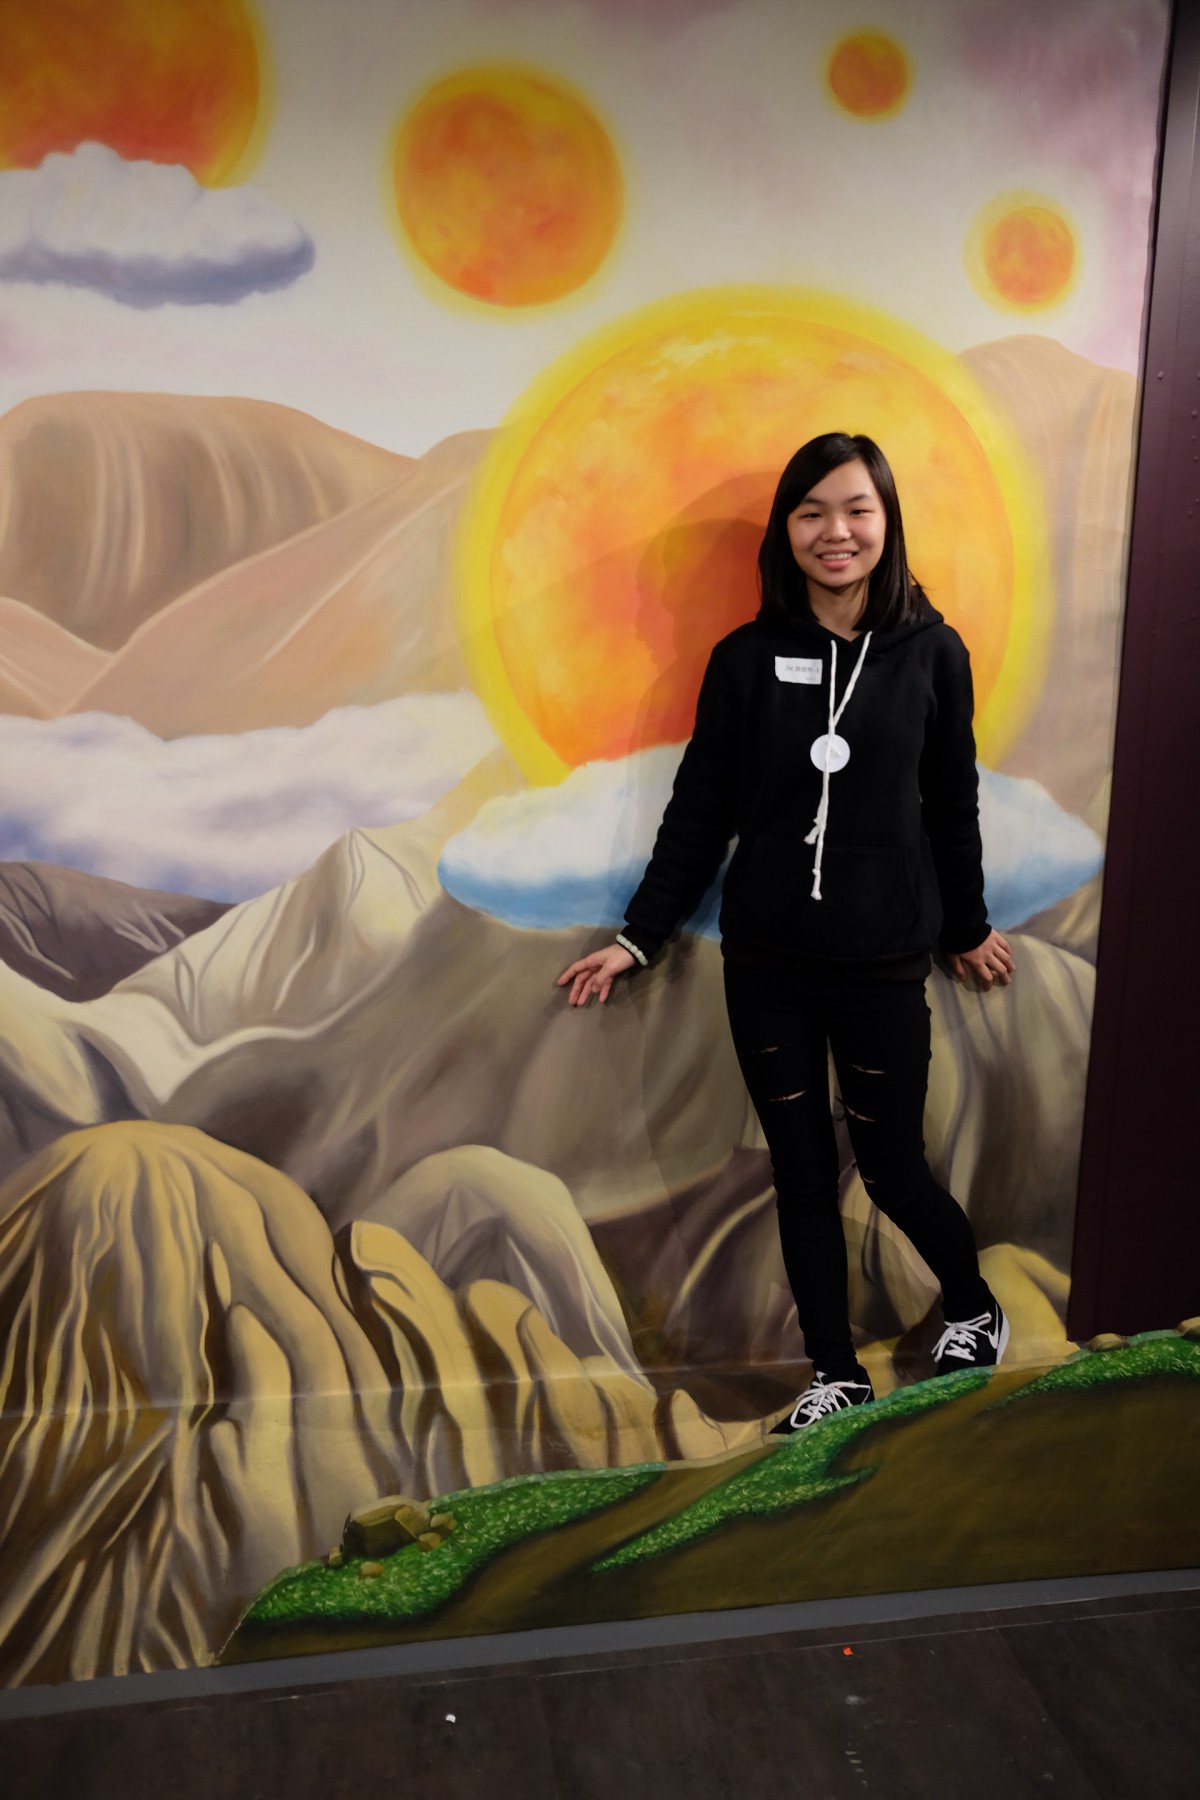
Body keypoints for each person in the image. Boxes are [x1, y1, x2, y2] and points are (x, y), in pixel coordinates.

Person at [557, 431, 1015, 1434]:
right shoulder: (745, 659)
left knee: (891, 1168)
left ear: (887, 523)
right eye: (812, 512)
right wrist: (637, 938)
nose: (834, 531)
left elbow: (953, 804)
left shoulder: (933, 654)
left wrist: (967, 924)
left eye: (856, 509)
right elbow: (698, 813)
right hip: (765, 965)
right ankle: (835, 1372)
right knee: (798, 1173)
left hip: (881, 963)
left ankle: (975, 1307)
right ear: (786, 530)